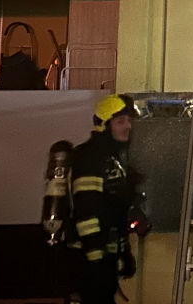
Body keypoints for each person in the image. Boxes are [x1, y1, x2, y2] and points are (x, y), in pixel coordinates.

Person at [70, 94, 139, 304]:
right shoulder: (89, 157)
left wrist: (123, 251)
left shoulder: (112, 158)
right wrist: (95, 261)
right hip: (87, 259)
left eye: (129, 121)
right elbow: (86, 212)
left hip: (105, 257)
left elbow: (116, 212)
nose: (128, 126)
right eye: (120, 122)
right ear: (104, 126)